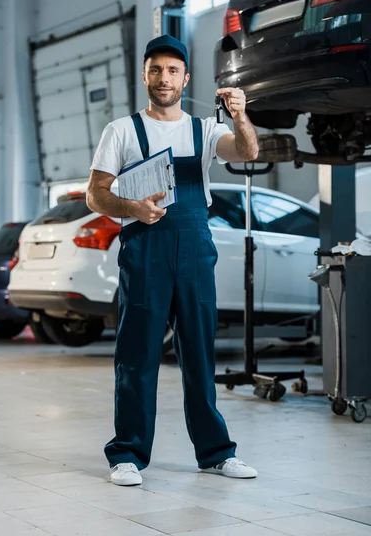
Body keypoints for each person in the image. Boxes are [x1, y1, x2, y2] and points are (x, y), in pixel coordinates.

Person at [87, 35, 259, 487]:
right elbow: (95, 194)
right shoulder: (121, 131)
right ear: (144, 75)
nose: (164, 78)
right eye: (156, 69)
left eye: (172, 70)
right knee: (137, 355)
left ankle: (216, 453)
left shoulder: (204, 131)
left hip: (194, 249)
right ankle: (127, 454)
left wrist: (240, 117)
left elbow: (247, 153)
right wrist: (133, 209)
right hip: (144, 249)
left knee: (200, 355)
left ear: (186, 78)